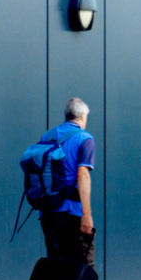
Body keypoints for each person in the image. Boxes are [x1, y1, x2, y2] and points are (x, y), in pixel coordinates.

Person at [35, 98, 97, 265]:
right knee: (82, 268)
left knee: (56, 268)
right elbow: (82, 175)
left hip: (48, 212)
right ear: (82, 116)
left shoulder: (47, 136)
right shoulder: (84, 138)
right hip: (72, 212)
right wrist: (87, 215)